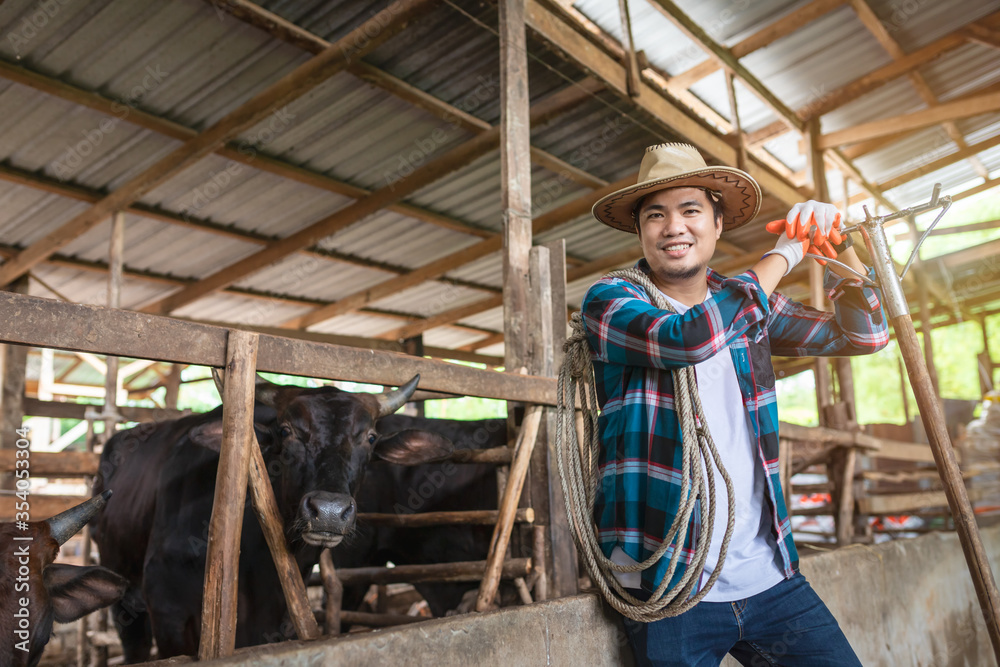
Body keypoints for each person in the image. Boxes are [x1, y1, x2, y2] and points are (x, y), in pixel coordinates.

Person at [580, 143, 889, 666]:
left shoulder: (749, 307)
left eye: (690, 210)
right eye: (655, 215)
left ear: (717, 224)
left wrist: (837, 253)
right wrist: (785, 253)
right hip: (668, 586)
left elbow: (867, 337)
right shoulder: (610, 302)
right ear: (640, 232)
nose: (673, 226)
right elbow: (688, 339)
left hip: (770, 578)